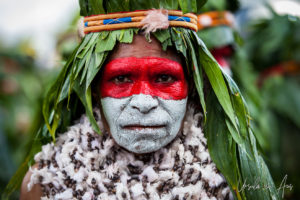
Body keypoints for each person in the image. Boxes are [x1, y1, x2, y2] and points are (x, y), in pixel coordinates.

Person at [4, 0, 279, 199]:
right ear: (93, 90)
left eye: (164, 78)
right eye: (122, 79)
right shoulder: (45, 181)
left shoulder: (233, 179)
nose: (144, 102)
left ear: (192, 86)